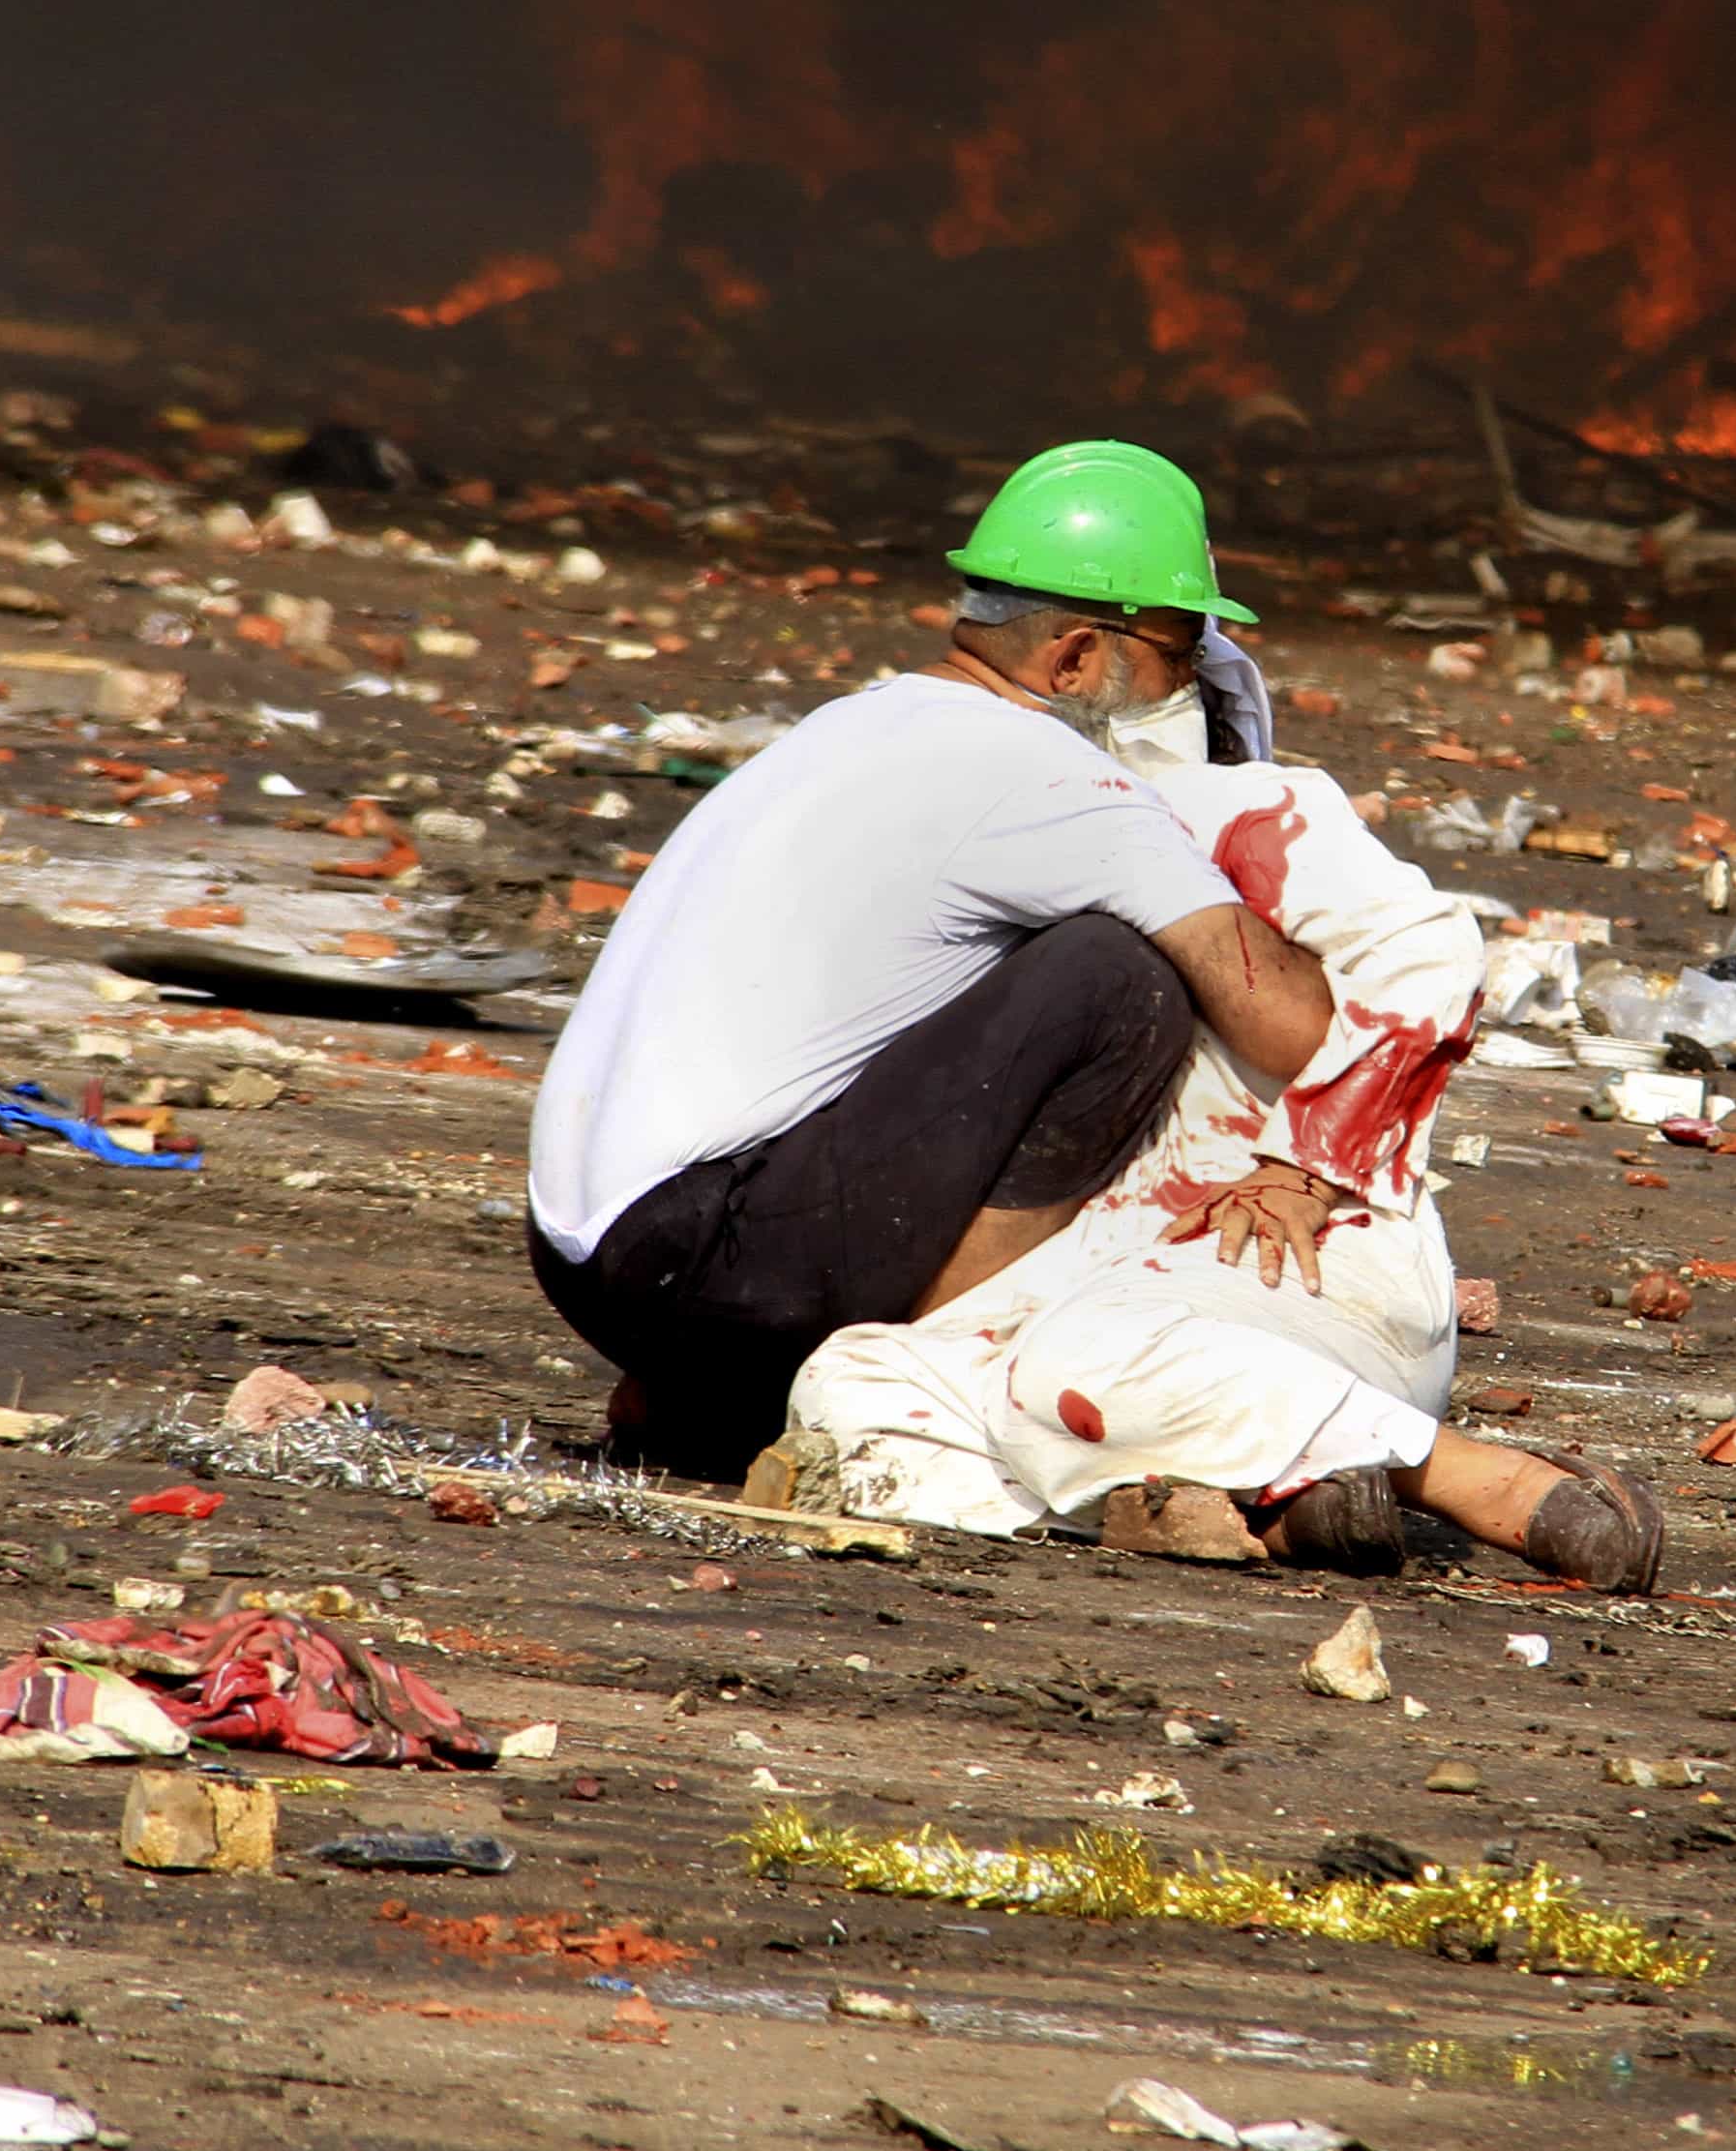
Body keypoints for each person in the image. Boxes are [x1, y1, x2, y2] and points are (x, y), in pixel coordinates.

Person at [527, 441, 1341, 1480]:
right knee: (1118, 983)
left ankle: (712, 1390)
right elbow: (1292, 1024)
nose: (1193, 690)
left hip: (583, 1251)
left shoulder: (860, 724)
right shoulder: (1046, 777)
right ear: (1077, 658)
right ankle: (921, 1374)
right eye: (1182, 662)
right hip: (709, 1259)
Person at [766, 681, 1664, 1590]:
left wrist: (1306, 1166)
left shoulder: (1224, 812)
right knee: (850, 1386)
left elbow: (1428, 954)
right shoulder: (981, 842)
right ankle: (1237, 1506)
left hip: (1298, 1256)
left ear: (1074, 658)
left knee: (1081, 1363)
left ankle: (1472, 1476)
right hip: (1109, 1264)